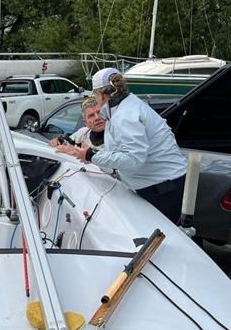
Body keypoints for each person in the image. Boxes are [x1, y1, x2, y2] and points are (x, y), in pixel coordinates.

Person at [56, 68, 187, 223]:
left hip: (164, 189)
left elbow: (133, 159)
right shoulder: (127, 105)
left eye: (95, 95)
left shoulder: (125, 115)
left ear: (101, 94)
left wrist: (90, 155)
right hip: (165, 184)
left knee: (169, 240)